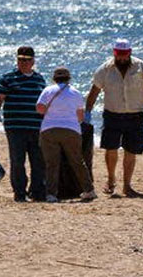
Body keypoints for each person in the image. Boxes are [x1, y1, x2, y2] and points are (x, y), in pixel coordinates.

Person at [85, 39, 143, 197]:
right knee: (111, 149)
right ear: (114, 53)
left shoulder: (141, 66)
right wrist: (88, 111)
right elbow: (95, 90)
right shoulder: (105, 69)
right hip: (112, 114)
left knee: (130, 151)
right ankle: (111, 178)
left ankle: (127, 185)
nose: (121, 59)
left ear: (130, 53)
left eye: (124, 55)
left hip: (136, 115)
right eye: (119, 55)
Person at [0, 46, 48, 202]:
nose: (23, 63)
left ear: (33, 61)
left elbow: (45, 103)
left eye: (27, 60)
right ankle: (19, 192)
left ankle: (36, 192)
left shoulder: (39, 79)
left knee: (38, 161)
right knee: (17, 161)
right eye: (20, 59)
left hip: (36, 127)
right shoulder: (8, 78)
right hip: (15, 127)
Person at [36, 67, 96, 203]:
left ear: (54, 78)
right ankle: (88, 190)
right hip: (71, 129)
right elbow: (80, 117)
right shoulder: (75, 92)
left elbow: (39, 109)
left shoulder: (47, 90)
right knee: (77, 161)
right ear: (69, 78)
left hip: (49, 129)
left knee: (52, 163)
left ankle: (51, 194)